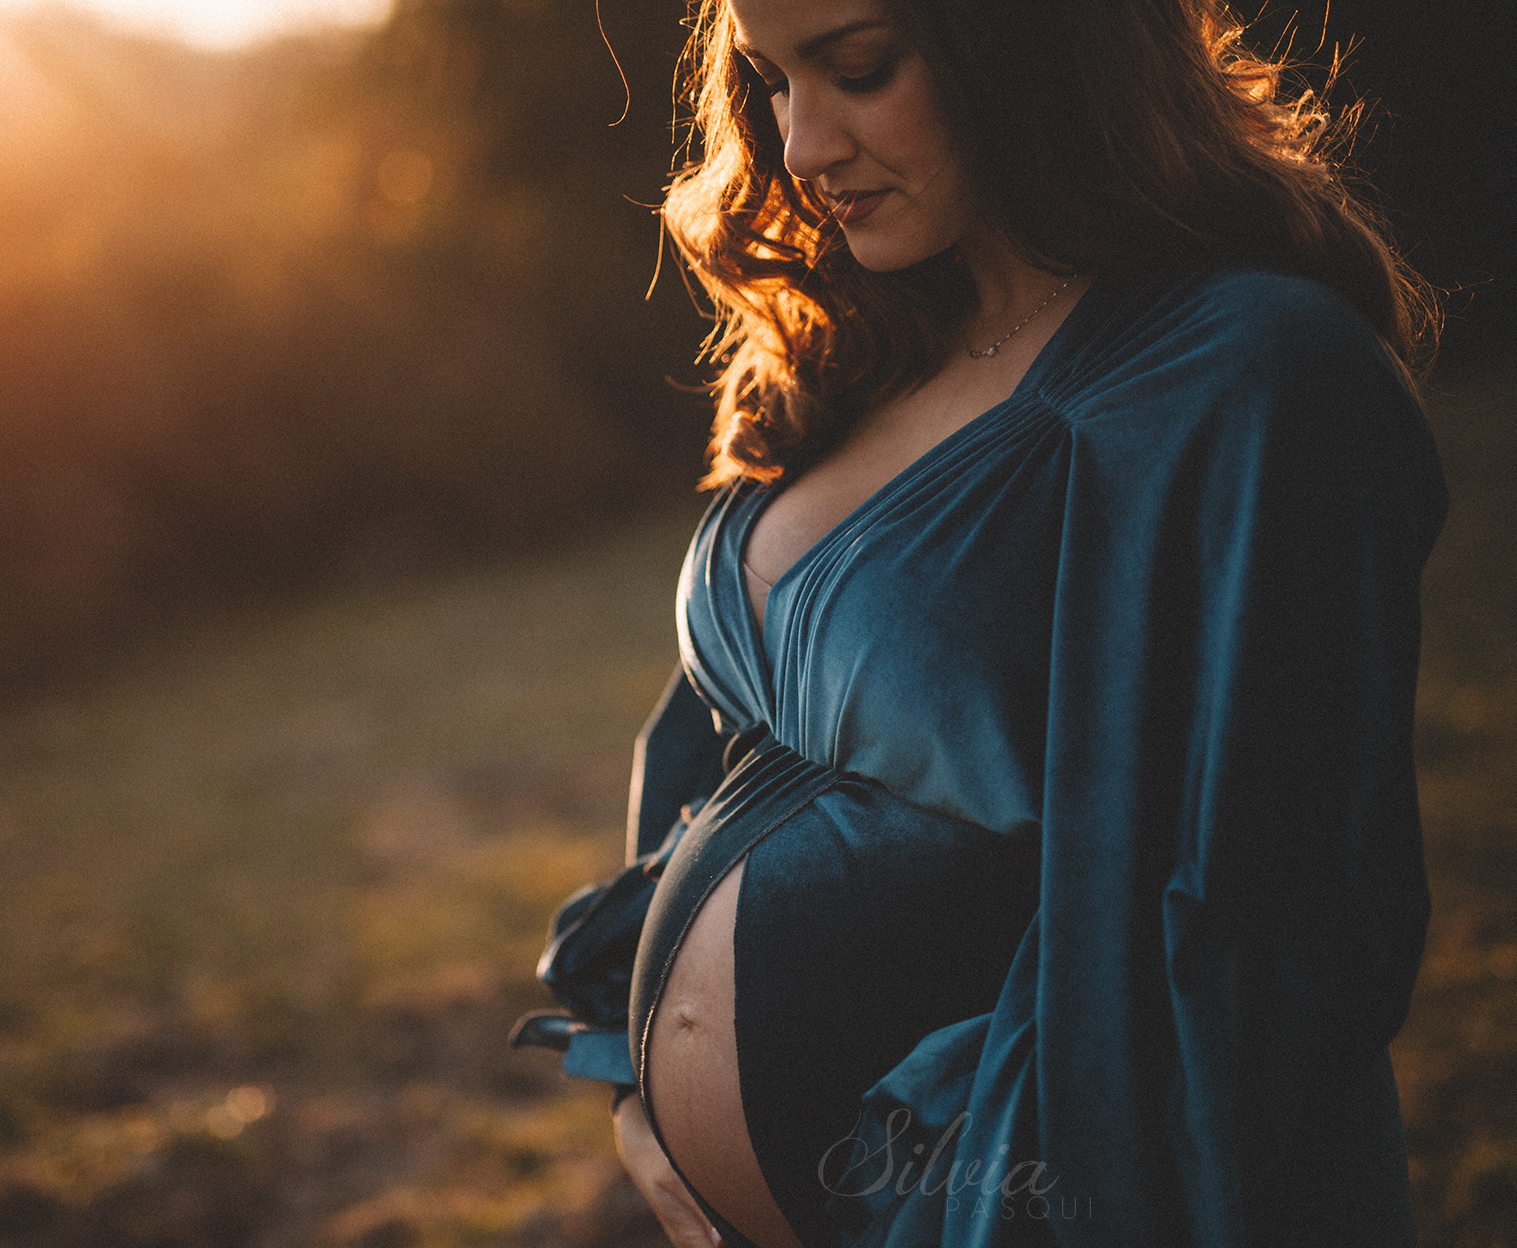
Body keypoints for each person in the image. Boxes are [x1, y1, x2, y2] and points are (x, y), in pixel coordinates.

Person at [509, 0, 1446, 1245]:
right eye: (772, 81)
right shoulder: (862, 346)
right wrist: (638, 1079)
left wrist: (959, 1193)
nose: (800, 145)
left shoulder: (1246, 377)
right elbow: (715, 750)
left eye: (856, 69)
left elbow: (1254, 944)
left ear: (1032, 40)